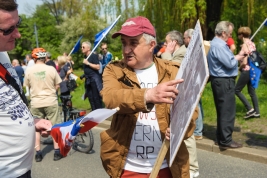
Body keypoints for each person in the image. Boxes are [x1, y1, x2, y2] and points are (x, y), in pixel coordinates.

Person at [100, 16, 198, 178]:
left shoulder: (173, 71)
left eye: (133, 43)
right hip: (127, 167)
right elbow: (110, 98)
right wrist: (148, 95)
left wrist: (180, 129)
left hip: (167, 165)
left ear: (151, 45)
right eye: (124, 43)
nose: (126, 50)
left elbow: (191, 112)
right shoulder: (114, 70)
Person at [0, 1, 52, 177]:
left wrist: (31, 122)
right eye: (8, 30)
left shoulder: (3, 53)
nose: (18, 34)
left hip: (22, 169)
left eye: (18, 24)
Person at [207, 21, 246, 149]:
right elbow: (229, 63)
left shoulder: (217, 44)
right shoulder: (219, 45)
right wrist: (238, 58)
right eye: (229, 33)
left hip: (220, 80)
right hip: (224, 81)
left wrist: (238, 56)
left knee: (222, 110)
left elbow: (227, 60)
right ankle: (226, 140)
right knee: (227, 111)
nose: (230, 36)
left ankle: (221, 138)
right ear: (223, 33)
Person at [24, 47, 63, 162]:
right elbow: (58, 84)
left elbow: (27, 86)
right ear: (45, 57)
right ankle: (56, 152)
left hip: (36, 102)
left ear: (33, 58)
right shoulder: (51, 69)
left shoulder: (29, 70)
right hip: (50, 101)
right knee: (54, 127)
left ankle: (38, 153)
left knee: (36, 129)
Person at [182, 28, 201, 178]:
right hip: (187, 93)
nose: (184, 40)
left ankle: (193, 168)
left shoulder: (185, 52)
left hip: (187, 94)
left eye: (185, 38)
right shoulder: (188, 51)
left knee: (188, 132)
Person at [235, 26, 260, 119]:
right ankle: (257, 112)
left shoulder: (245, 45)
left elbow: (245, 62)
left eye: (238, 34)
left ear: (241, 35)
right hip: (253, 70)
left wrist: (239, 68)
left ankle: (250, 109)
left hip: (246, 70)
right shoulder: (252, 44)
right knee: (251, 91)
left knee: (236, 90)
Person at [81, 41, 103, 111]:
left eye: (83, 47)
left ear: (88, 48)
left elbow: (98, 67)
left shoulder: (93, 55)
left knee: (96, 97)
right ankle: (94, 112)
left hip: (94, 79)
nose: (82, 48)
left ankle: (99, 112)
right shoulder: (85, 57)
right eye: (82, 47)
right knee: (90, 97)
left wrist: (88, 63)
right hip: (88, 80)